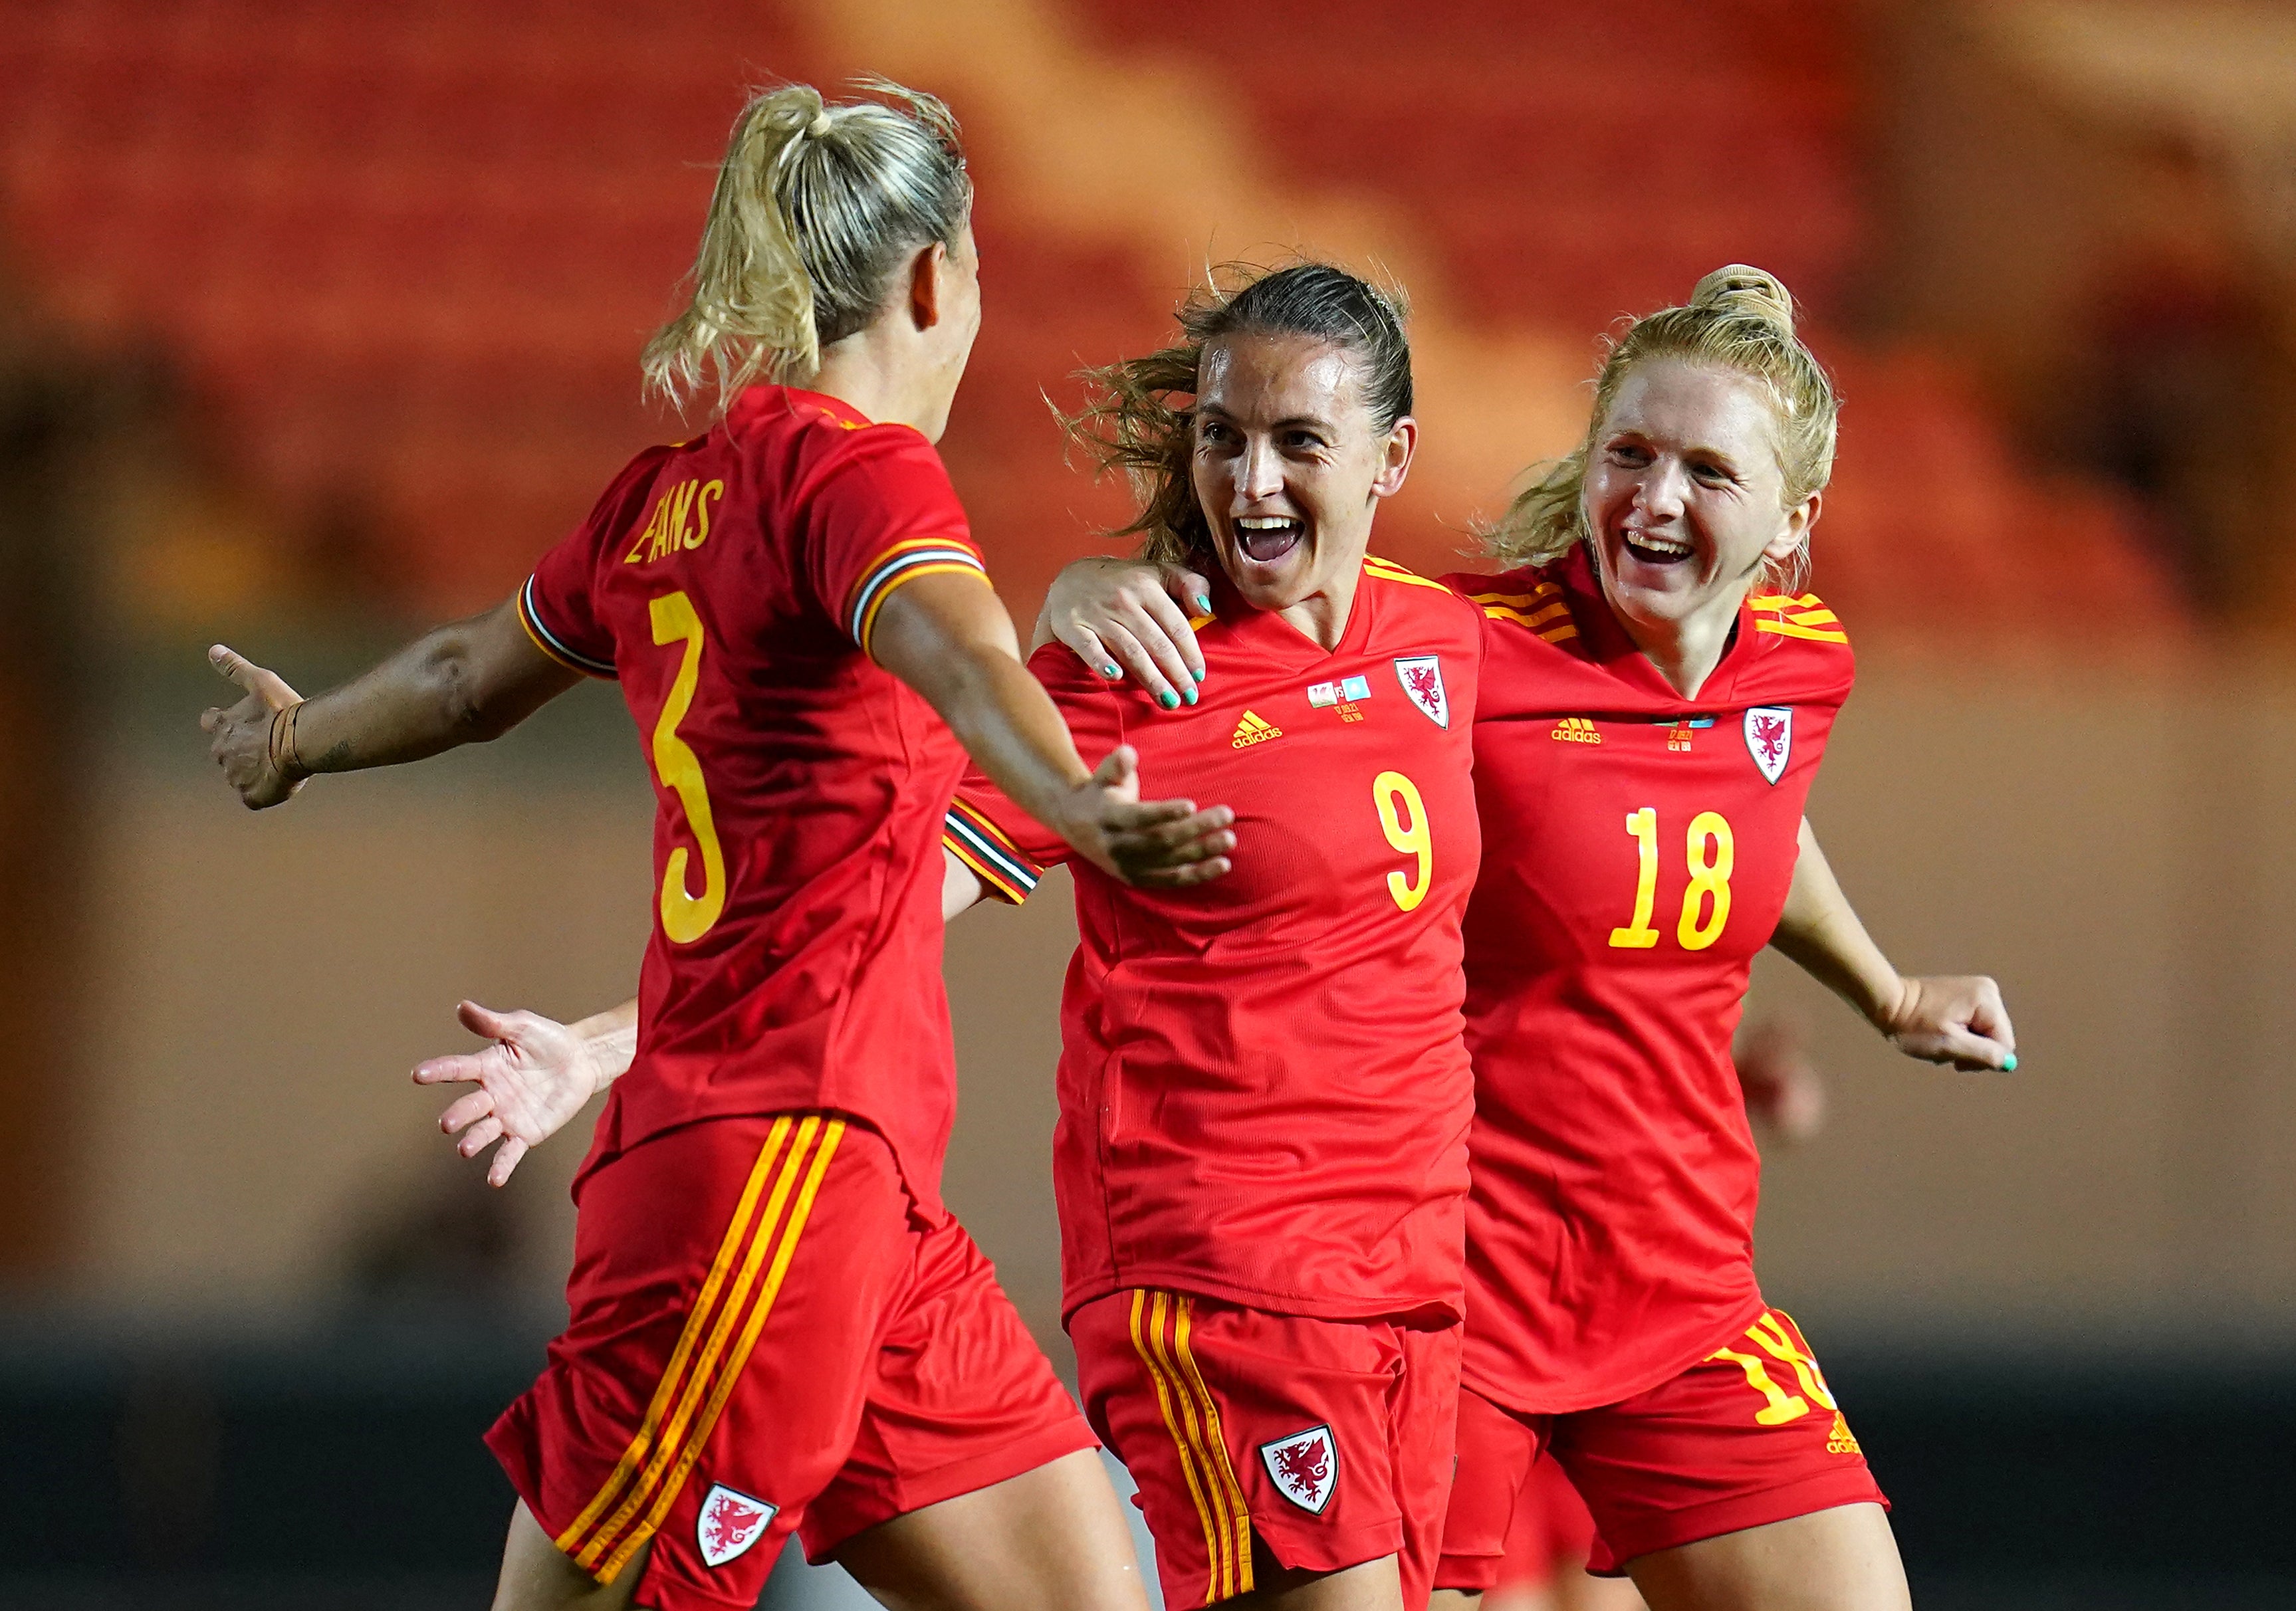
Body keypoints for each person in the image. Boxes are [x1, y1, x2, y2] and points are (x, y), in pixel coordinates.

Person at [199, 80, 1232, 1611]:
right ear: (939, 277)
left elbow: (460, 680)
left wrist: (296, 741)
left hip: (867, 1202)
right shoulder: (858, 474)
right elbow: (958, 659)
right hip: (768, 1177)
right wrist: (1079, 798)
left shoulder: (665, 502)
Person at [420, 261, 1488, 1611]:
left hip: (1410, 1284)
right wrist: (602, 1045)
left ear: (1392, 458)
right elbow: (868, 904)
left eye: (1297, 445)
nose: (1251, 484)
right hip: (1227, 1284)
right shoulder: (1134, 677)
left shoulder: (1450, 646)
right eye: (1220, 438)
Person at [1034, 266, 2017, 1611]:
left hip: (1680, 1290)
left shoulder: (1798, 661)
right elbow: (1282, 606)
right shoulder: (1460, 650)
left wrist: (1885, 989)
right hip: (1457, 1296)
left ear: (1792, 522)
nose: (1651, 501)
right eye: (1627, 456)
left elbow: (1751, 817)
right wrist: (1085, 594)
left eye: (1702, 473)